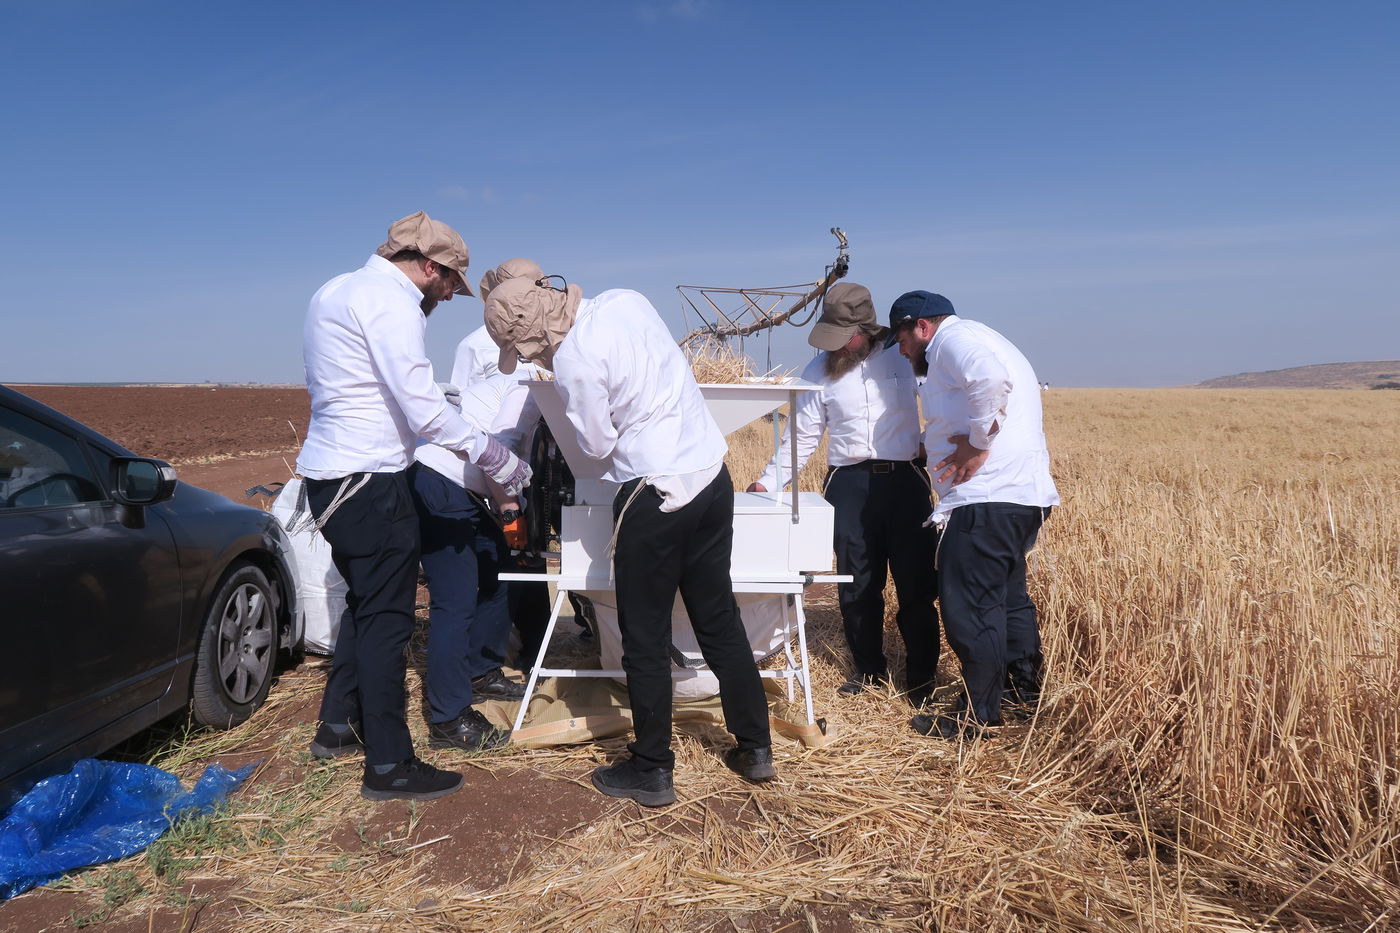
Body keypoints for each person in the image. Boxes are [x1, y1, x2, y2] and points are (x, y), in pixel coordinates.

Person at [485, 276, 775, 807]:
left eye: (526, 350)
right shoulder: (626, 300)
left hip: (653, 494)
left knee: (643, 635)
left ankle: (652, 768)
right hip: (711, 476)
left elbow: (597, 446)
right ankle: (756, 747)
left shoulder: (573, 361)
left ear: (533, 335)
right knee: (718, 619)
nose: (534, 358)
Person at [297, 211, 531, 800]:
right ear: (429, 266)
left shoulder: (336, 289)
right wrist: (496, 457)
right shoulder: (391, 303)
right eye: (450, 281)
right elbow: (425, 410)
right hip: (369, 480)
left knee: (366, 606)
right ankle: (389, 764)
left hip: (331, 477)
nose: (450, 294)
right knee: (389, 622)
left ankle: (337, 726)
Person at [744, 282, 938, 707]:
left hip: (906, 480)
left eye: (842, 337)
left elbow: (943, 406)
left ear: (865, 330)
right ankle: (868, 671)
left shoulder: (905, 355)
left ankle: (922, 678)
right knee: (858, 583)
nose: (834, 346)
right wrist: (767, 483)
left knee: (917, 583)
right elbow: (802, 436)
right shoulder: (818, 370)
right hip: (848, 485)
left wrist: (929, 444)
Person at [888, 291, 1058, 739]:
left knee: (971, 608)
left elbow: (990, 380)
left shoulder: (951, 341)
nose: (902, 352)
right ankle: (1022, 696)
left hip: (986, 499)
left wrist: (978, 444)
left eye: (902, 341)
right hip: (1021, 497)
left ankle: (978, 717)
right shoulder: (981, 336)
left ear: (922, 327)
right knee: (1008, 600)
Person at [409, 368, 543, 751]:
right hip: (440, 482)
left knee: (498, 569)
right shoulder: (528, 388)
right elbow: (499, 448)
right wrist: (510, 511)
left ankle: (481, 671)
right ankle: (449, 719)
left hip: (459, 488)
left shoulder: (529, 387)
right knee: (455, 602)